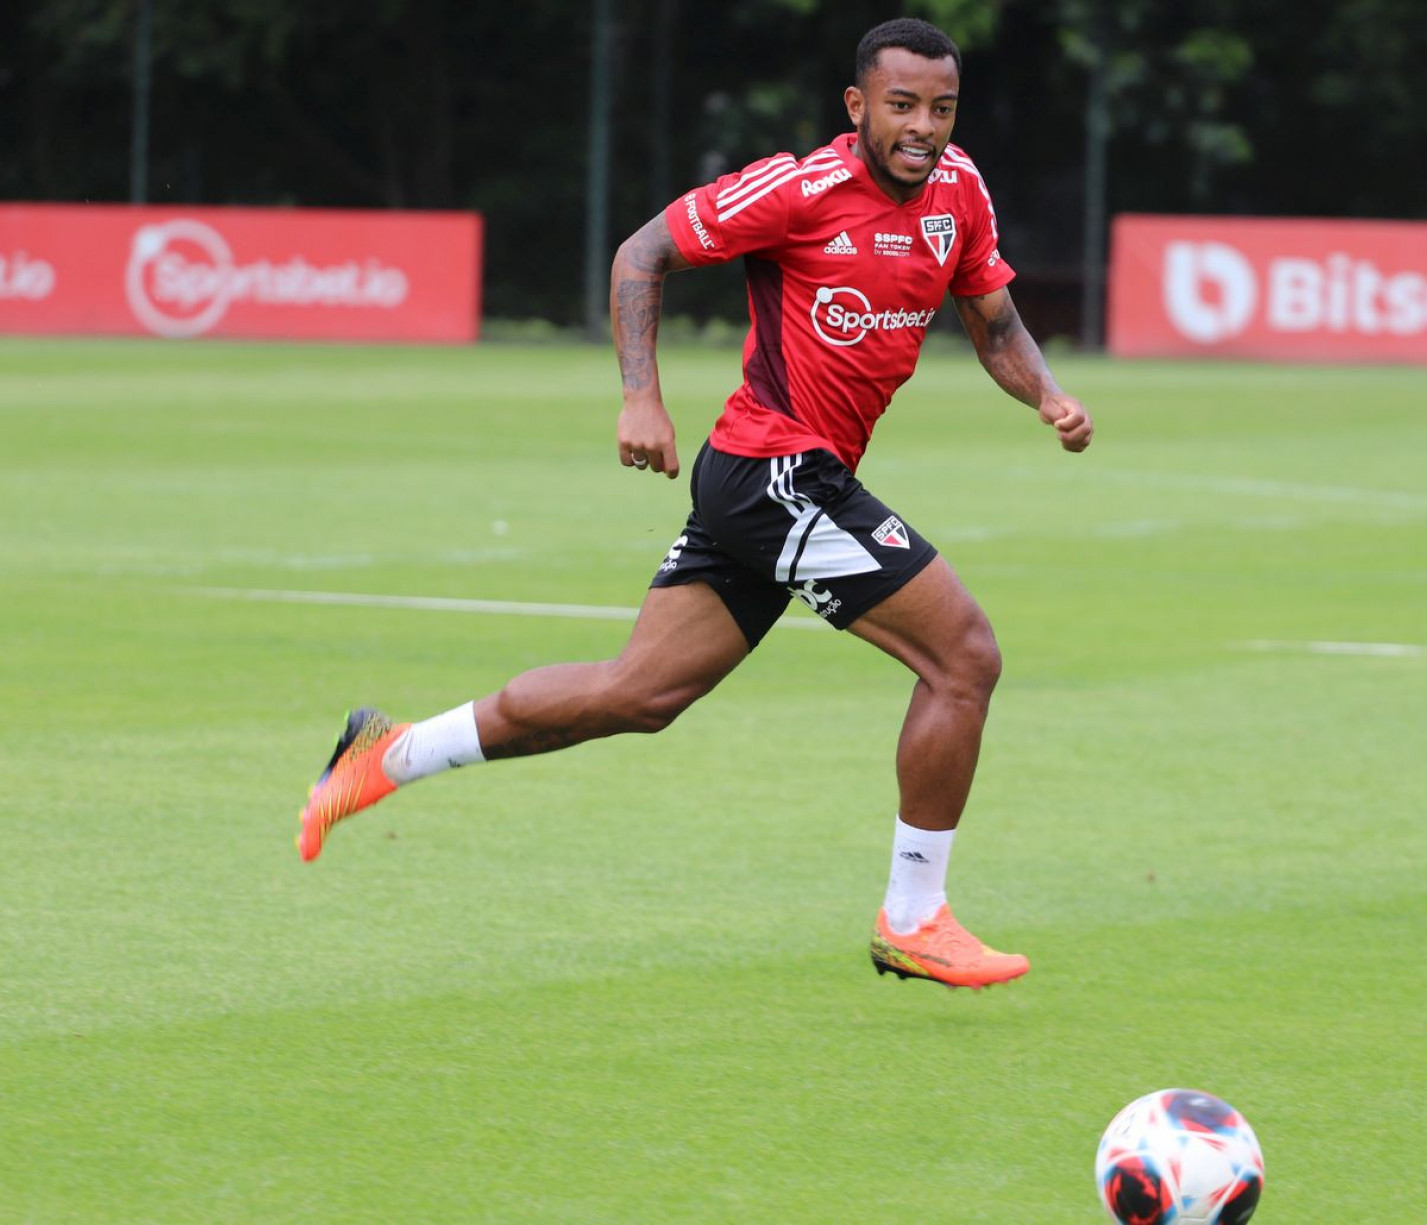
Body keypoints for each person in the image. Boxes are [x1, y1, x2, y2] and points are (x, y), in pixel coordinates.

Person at [295, 17, 1092, 990]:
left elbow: (994, 319)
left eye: (941, 107)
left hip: (772, 484)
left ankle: (388, 754)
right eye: (901, 106)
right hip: (775, 473)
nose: (923, 126)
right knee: (963, 656)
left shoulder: (958, 192)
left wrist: (1046, 394)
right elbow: (640, 254)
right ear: (858, 107)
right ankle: (914, 915)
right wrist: (640, 394)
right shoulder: (798, 191)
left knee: (640, 694)